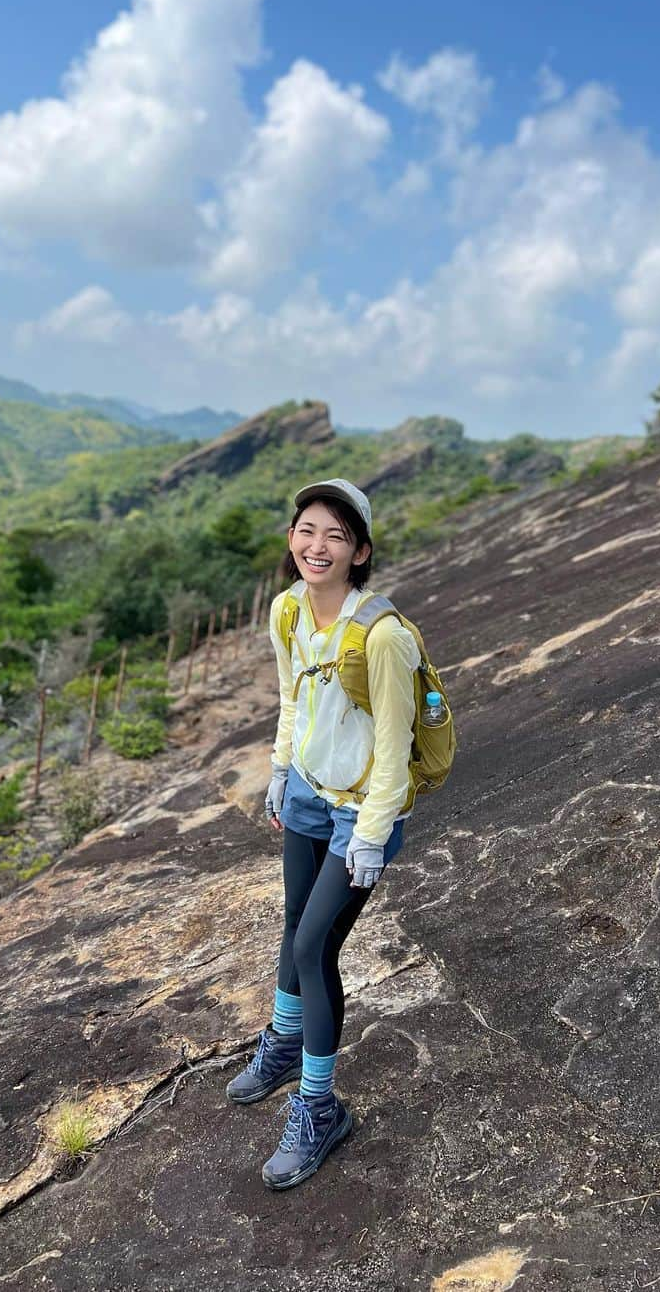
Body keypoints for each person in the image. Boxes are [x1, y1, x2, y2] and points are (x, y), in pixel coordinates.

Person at [226, 477, 421, 1191]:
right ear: (291, 539)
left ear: (360, 552)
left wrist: (370, 836)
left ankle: (319, 1107)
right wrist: (281, 771)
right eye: (307, 530)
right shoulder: (287, 612)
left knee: (315, 944)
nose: (318, 545)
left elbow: (397, 744)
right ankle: (283, 1041)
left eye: (336, 535)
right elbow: (292, 699)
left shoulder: (384, 637)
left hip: (360, 810)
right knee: (291, 924)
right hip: (307, 791)